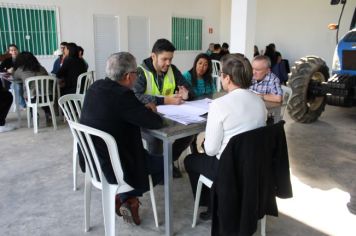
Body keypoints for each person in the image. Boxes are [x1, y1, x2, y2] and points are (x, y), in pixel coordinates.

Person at [80, 52, 164, 225]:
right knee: (165, 165)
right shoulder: (123, 95)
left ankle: (127, 198)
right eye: (136, 73)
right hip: (115, 167)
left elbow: (120, 111)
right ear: (128, 76)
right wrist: (150, 110)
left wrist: (140, 109)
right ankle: (128, 197)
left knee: (149, 158)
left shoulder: (95, 87)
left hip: (93, 161)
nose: (137, 77)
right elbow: (155, 122)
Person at [184, 54, 267, 221]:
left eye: (221, 74)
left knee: (190, 161)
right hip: (254, 165)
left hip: (228, 169)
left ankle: (211, 205)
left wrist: (208, 141)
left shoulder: (218, 105)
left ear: (227, 78)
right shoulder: (259, 102)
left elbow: (211, 150)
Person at [133, 38, 195, 178]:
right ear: (153, 56)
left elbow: (189, 88)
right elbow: (135, 96)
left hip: (170, 117)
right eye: (164, 59)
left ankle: (166, 162)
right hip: (145, 120)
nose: (168, 63)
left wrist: (186, 95)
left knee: (188, 133)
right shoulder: (140, 72)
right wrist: (164, 100)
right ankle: (158, 171)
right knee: (155, 139)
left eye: (170, 59)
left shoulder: (173, 70)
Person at [13, 52, 51, 124]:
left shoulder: (20, 70)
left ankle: (34, 114)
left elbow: (15, 78)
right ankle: (47, 113)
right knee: (40, 95)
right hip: (47, 96)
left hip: (32, 97)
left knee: (29, 94)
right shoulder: (41, 68)